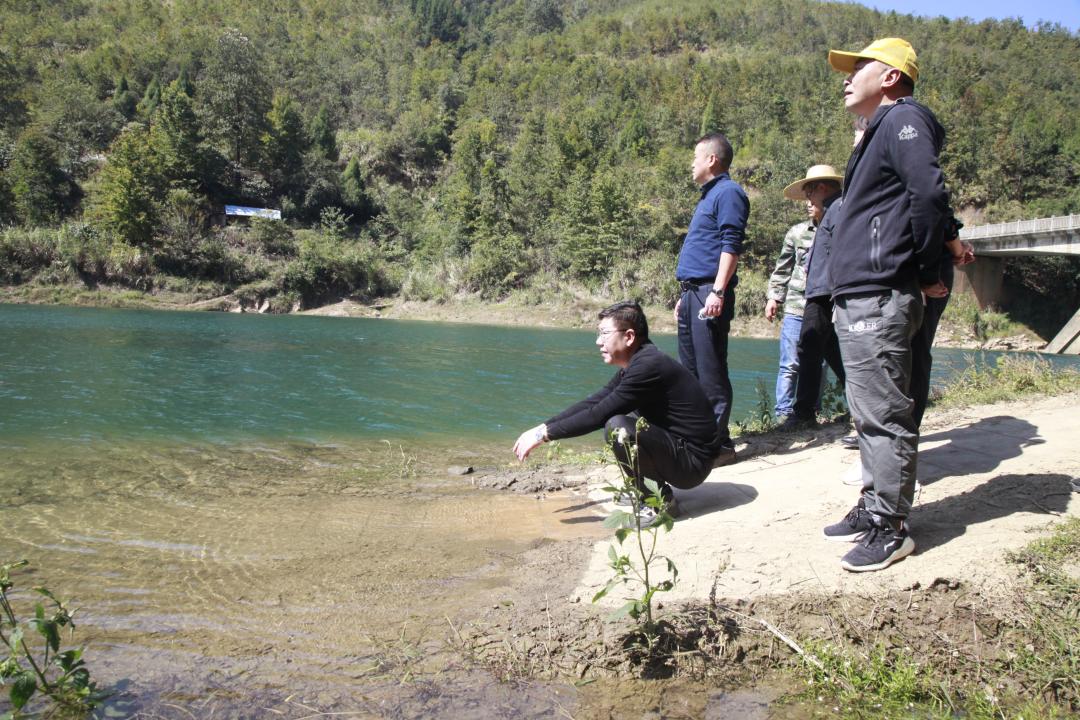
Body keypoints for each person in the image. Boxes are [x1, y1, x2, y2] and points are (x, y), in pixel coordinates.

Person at [821, 38, 949, 572]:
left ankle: (890, 527)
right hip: (860, 291)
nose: (847, 77)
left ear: (892, 77)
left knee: (884, 414)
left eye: (859, 68)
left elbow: (930, 195)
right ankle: (873, 504)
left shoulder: (904, 122)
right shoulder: (875, 134)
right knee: (867, 410)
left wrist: (918, 270)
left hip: (880, 289)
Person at [513, 301, 720, 521]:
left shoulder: (647, 367)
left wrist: (543, 436)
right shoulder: (639, 362)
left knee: (618, 426)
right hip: (682, 451)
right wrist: (543, 427)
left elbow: (598, 415)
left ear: (629, 336)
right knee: (623, 416)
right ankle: (645, 488)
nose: (598, 341)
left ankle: (660, 503)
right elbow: (594, 401)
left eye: (604, 333)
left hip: (692, 464)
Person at [673, 133, 750, 467]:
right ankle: (699, 438)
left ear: (712, 160)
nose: (691, 163)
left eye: (695, 156)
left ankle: (719, 446)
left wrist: (717, 291)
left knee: (711, 370)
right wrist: (685, 296)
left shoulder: (729, 193)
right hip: (693, 292)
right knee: (690, 373)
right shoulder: (708, 197)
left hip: (709, 291)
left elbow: (730, 244)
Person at [767, 165, 844, 423]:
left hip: (833, 306)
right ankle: (785, 414)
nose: (808, 202)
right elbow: (782, 269)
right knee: (791, 364)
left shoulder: (841, 219)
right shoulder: (797, 233)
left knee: (825, 361)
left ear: (821, 189)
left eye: (809, 193)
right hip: (799, 305)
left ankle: (811, 411)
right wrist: (773, 297)